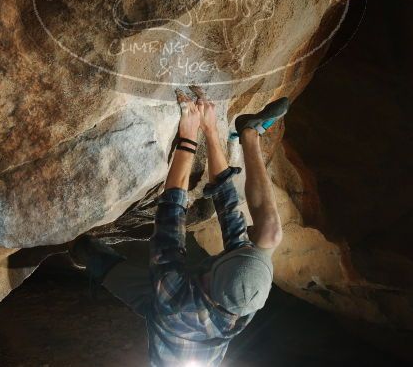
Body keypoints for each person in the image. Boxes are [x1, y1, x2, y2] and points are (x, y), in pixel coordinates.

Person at [69, 90, 289, 366]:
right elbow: (230, 212)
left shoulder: (173, 300)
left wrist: (188, 135)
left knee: (94, 257)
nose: (244, 244)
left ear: (216, 269)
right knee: (271, 235)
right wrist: (211, 130)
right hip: (204, 296)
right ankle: (249, 133)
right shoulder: (248, 296)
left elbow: (171, 214)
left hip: (165, 312)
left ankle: (79, 252)